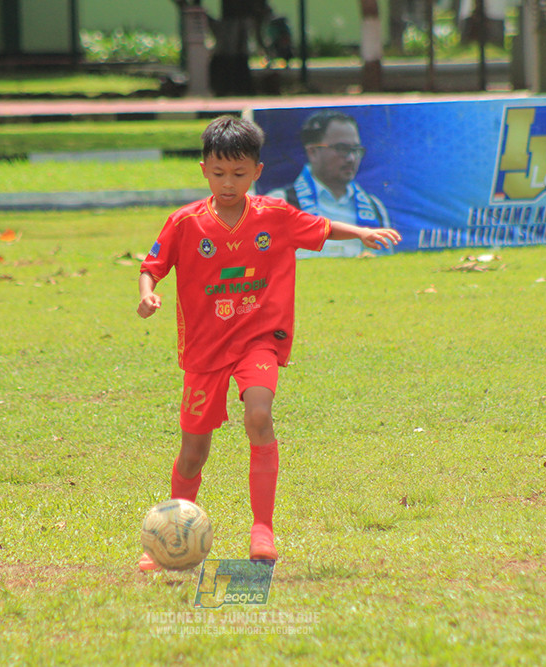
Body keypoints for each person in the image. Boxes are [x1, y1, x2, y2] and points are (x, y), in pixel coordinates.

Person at [136, 116, 400, 570]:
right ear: (204, 170)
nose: (228, 183)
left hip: (258, 340)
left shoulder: (274, 215)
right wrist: (147, 294)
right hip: (204, 349)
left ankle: (263, 530)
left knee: (259, 415)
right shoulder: (185, 222)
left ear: (256, 172)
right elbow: (152, 265)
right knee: (193, 453)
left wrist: (362, 232)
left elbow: (321, 227)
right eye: (219, 173)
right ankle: (170, 539)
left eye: (239, 174)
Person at [266, 110, 393, 259]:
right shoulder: (280, 203)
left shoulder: (374, 207)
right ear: (313, 152)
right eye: (341, 149)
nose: (351, 158)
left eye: (355, 150)